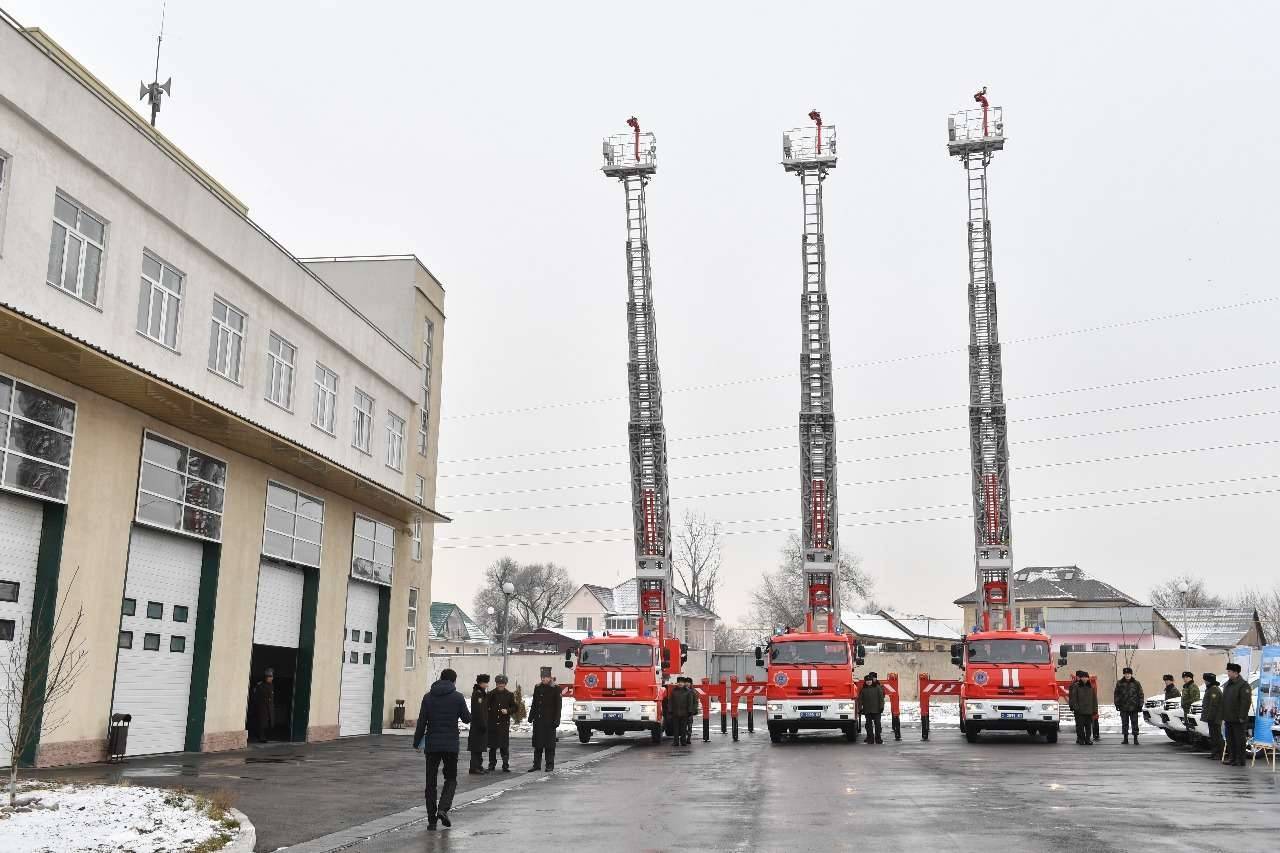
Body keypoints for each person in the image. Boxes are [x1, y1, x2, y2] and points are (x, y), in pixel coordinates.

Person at [413, 668, 471, 831]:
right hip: (451, 745)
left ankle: (432, 821)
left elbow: (421, 721)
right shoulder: (458, 697)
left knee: (430, 782)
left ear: (440, 678)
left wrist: (416, 742)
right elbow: (466, 719)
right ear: (453, 681)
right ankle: (443, 809)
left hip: (432, 745)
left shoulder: (428, 697)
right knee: (450, 778)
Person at [528, 667, 562, 772]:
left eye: (545, 677)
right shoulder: (537, 687)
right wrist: (531, 716)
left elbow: (558, 706)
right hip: (538, 721)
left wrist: (557, 720)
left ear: (550, 677)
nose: (543, 679)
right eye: (542, 677)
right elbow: (534, 703)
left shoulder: (556, 688)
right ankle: (536, 765)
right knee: (538, 744)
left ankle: (549, 765)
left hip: (550, 721)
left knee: (549, 745)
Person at [1221, 662, 1251, 766]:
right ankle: (1232, 758)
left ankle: (1240, 760)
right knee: (1230, 740)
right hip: (1228, 718)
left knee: (1239, 741)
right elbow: (1225, 701)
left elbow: (1245, 702)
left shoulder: (1243, 685)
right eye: (1228, 671)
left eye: (1229, 671)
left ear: (1236, 673)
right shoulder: (1228, 684)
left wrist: (1242, 716)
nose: (1228, 673)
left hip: (1238, 719)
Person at [486, 674, 516, 772]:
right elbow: (485, 707)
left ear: (505, 684)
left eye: (502, 684)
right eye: (499, 684)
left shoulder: (509, 694)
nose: (501, 685)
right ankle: (492, 764)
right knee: (493, 747)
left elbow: (515, 707)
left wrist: (508, 711)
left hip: (504, 724)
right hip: (493, 724)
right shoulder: (490, 694)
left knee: (504, 746)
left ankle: (505, 765)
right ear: (496, 684)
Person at [1113, 667, 1144, 745]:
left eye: (1129, 674)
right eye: (1126, 674)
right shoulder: (1119, 683)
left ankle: (1135, 739)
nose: (1127, 675)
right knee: (1124, 723)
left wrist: (1140, 705)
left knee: (1135, 723)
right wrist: (1117, 704)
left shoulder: (1136, 683)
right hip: (1123, 707)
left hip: (1134, 707)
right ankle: (1125, 739)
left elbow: (1141, 694)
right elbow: (1116, 694)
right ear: (1124, 674)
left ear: (1131, 674)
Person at [467, 675, 490, 774]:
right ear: (481, 683)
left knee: (480, 747)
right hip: (478, 725)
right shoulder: (478, 694)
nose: (487, 685)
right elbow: (479, 711)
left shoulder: (481, 693)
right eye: (485, 683)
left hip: (481, 724)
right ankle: (474, 767)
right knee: (476, 747)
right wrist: (482, 724)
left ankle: (479, 766)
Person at [1068, 670, 1097, 745]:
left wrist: (1094, 710)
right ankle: (1081, 739)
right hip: (1079, 711)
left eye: (1086, 677)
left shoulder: (1091, 687)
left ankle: (1088, 739)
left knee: (1088, 727)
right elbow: (1073, 698)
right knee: (1080, 726)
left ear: (1088, 678)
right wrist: (1075, 707)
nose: (1084, 679)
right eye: (1083, 677)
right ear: (1080, 678)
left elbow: (1094, 699)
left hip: (1089, 711)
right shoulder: (1076, 686)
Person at [1200, 672, 1224, 761]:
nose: (1205, 682)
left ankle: (1219, 753)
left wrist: (1209, 716)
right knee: (1213, 736)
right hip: (1212, 717)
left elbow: (1213, 705)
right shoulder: (1210, 689)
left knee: (1217, 736)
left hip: (1215, 717)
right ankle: (1214, 753)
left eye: (1205, 680)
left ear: (1209, 681)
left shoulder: (1214, 690)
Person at [857, 672, 885, 745]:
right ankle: (870, 739)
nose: (868, 682)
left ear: (872, 681)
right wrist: (860, 708)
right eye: (867, 681)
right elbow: (860, 700)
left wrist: (881, 707)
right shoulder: (863, 690)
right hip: (867, 710)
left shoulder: (877, 688)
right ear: (865, 682)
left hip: (877, 710)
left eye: (870, 681)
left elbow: (881, 698)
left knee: (878, 725)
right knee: (868, 726)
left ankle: (878, 738)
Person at [249, 668, 274, 744]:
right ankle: (261, 737)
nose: (271, 678)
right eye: (269, 677)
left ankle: (265, 736)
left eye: (271, 677)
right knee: (261, 723)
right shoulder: (260, 685)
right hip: (261, 707)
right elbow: (255, 697)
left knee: (268, 722)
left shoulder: (271, 685)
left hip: (269, 707)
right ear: (265, 677)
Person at [1180, 671, 1200, 749]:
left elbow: (1195, 699)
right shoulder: (1186, 687)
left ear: (1190, 678)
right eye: (1184, 678)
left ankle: (1197, 744)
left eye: (1186, 677)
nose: (1184, 679)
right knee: (1189, 727)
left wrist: (1186, 703)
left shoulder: (1193, 686)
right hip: (1186, 710)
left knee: (1193, 727)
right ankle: (1193, 743)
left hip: (1190, 710)